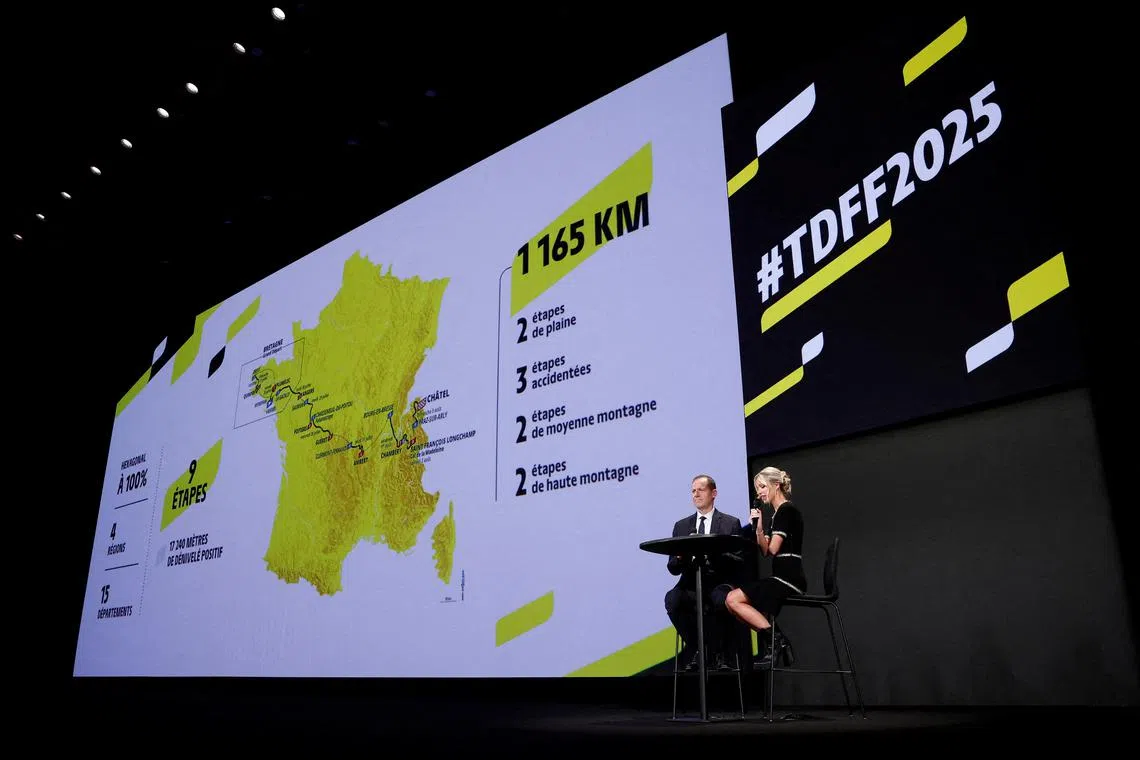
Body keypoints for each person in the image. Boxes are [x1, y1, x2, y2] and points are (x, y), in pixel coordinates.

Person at [664, 474, 747, 669]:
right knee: (673, 599)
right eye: (693, 491)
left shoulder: (729, 523)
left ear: (714, 493)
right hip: (691, 582)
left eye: (700, 490)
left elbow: (740, 560)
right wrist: (681, 558)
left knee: (720, 600)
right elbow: (672, 568)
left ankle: (719, 653)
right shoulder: (681, 526)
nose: (696, 494)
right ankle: (700, 648)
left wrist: (716, 553)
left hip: (719, 580)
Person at [725, 467, 806, 663]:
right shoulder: (776, 515)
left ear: (776, 485)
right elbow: (765, 552)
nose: (759, 492)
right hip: (779, 577)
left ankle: (776, 641)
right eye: (757, 488)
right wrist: (759, 528)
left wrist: (765, 534)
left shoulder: (786, 511)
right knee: (732, 605)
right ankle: (777, 641)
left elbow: (774, 549)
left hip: (789, 578)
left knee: (733, 599)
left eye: (762, 486)